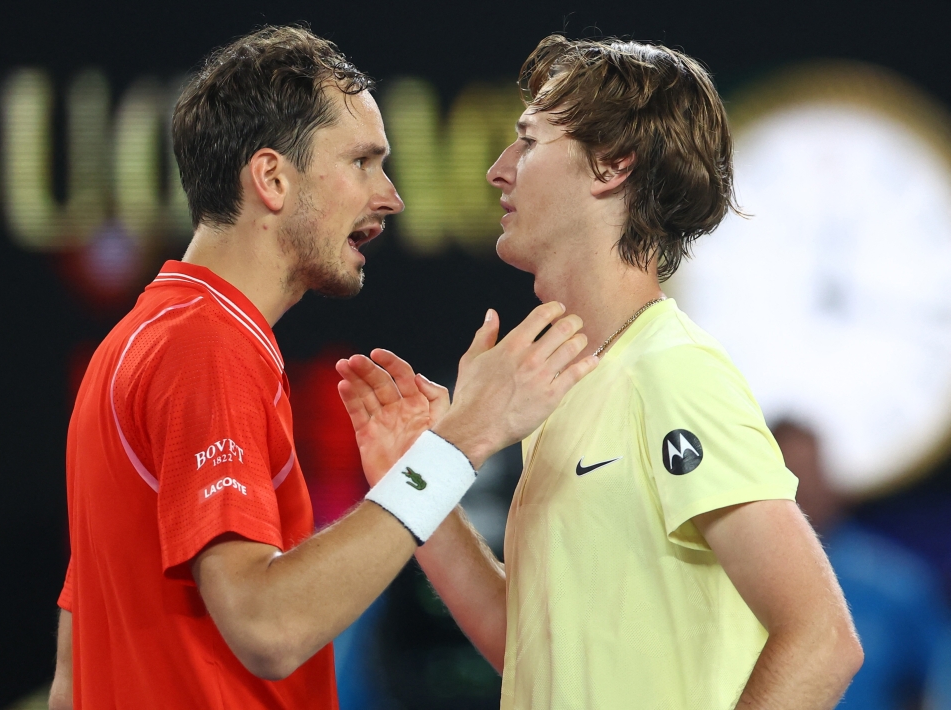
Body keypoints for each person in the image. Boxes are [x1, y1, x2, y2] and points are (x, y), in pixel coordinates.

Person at [47, 26, 597, 710]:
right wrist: (460, 442)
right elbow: (269, 627)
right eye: (363, 162)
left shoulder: (139, 340)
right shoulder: (206, 348)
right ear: (272, 178)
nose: (390, 197)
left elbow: (75, 669)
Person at [338, 35, 864, 709]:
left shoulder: (673, 373)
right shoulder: (572, 390)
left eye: (528, 143)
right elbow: (530, 653)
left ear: (612, 166)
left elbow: (822, 637)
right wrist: (419, 483)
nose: (499, 170)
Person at [773, 421, 951, 710]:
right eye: (789, 474)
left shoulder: (897, 582)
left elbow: (938, 680)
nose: (802, 489)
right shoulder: (731, 584)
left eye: (810, 472)